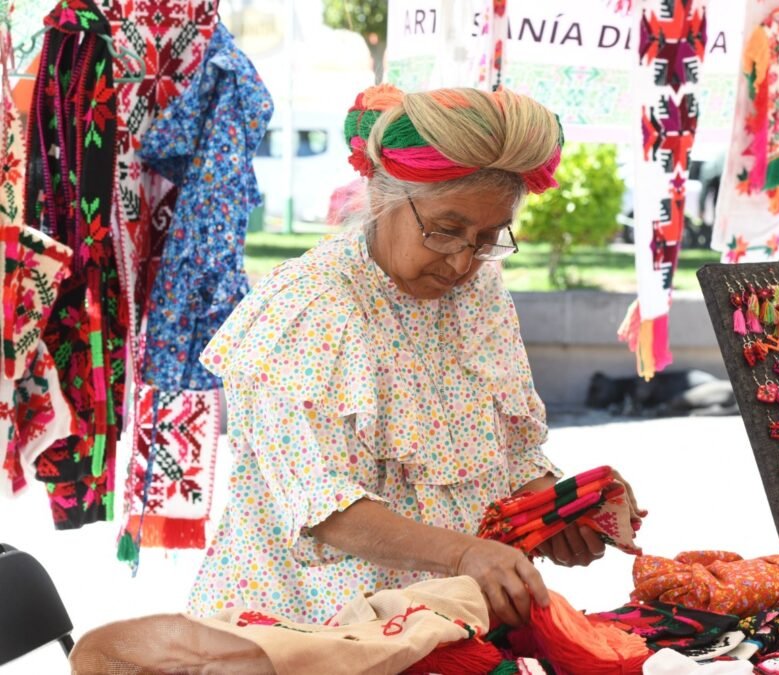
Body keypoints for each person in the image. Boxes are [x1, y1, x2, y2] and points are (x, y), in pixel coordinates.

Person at [188, 84, 638, 627]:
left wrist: (564, 507)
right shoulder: (310, 308)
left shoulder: (480, 293)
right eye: (446, 231)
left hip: (439, 623)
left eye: (488, 237)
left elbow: (512, 453)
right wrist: (463, 553)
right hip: (307, 631)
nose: (463, 260)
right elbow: (326, 510)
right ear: (383, 197)